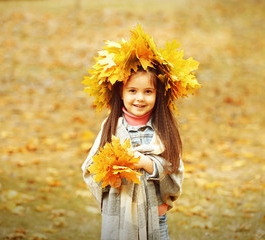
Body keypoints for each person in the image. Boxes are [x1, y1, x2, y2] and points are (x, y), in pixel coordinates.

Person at [81, 24, 200, 240]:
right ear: (121, 92)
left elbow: (174, 170)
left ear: (158, 95)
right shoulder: (112, 126)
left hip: (155, 216)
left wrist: (146, 163)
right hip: (119, 218)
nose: (140, 98)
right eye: (132, 91)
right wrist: (111, 173)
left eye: (148, 92)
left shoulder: (162, 130)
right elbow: (91, 169)